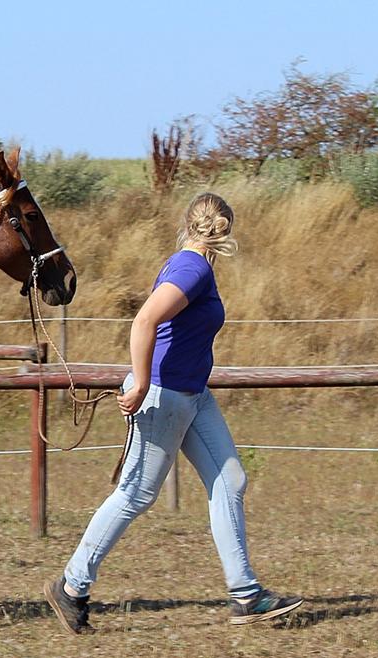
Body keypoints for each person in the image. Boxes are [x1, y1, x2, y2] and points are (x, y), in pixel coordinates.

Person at [44, 192, 302, 634]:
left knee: (230, 480)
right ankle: (71, 587)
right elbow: (144, 321)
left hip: (193, 394)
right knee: (135, 495)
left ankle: (246, 595)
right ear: (225, 228)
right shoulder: (192, 268)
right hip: (164, 395)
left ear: (188, 224)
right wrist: (142, 384)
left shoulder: (190, 265)